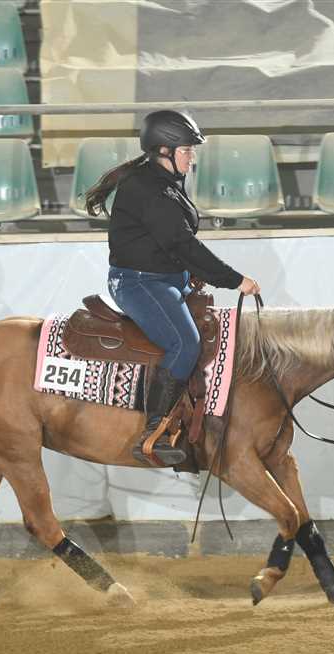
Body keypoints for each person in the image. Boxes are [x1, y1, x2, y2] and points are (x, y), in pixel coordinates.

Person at [84, 110, 261, 467]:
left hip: (165, 278)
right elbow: (182, 244)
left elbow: (172, 244)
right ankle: (154, 431)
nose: (192, 157)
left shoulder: (163, 181)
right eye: (187, 150)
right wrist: (235, 280)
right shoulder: (148, 189)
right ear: (164, 151)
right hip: (139, 282)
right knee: (185, 343)